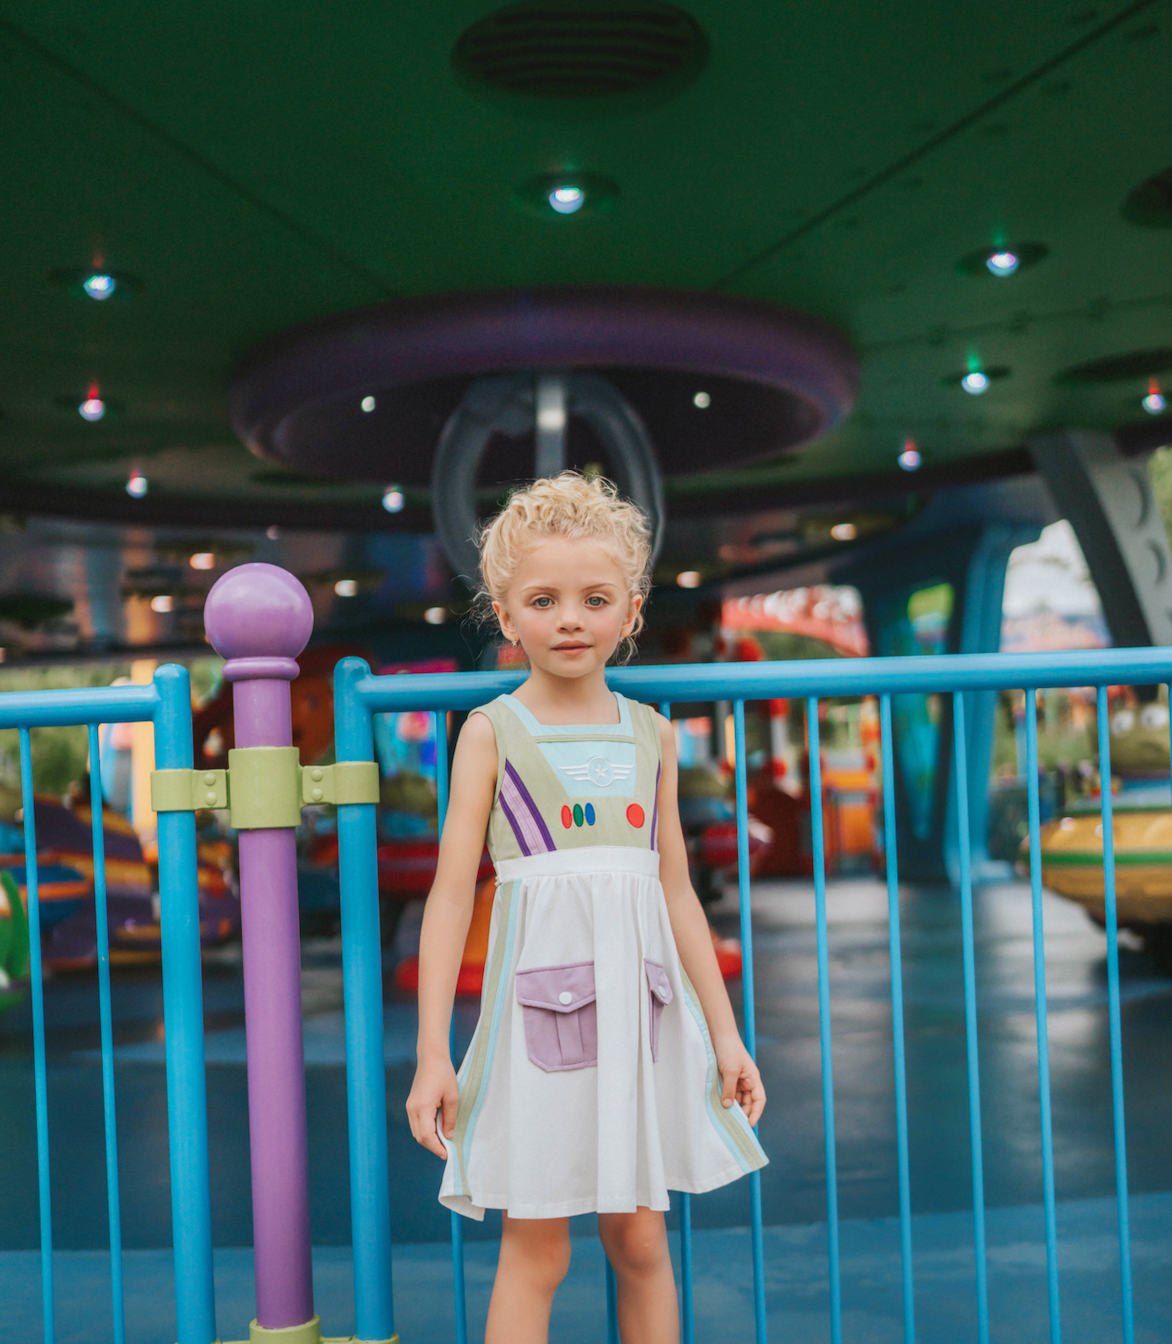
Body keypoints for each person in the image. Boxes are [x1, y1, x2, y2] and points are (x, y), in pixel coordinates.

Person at [406, 473, 767, 1344]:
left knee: (643, 1240)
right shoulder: (493, 732)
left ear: (631, 610)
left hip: (641, 1029)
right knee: (539, 1252)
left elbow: (673, 887)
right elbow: (453, 893)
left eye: (594, 598)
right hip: (542, 1032)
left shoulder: (652, 733)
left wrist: (725, 1035)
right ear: (505, 611)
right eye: (544, 599)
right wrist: (432, 1055)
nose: (570, 618)